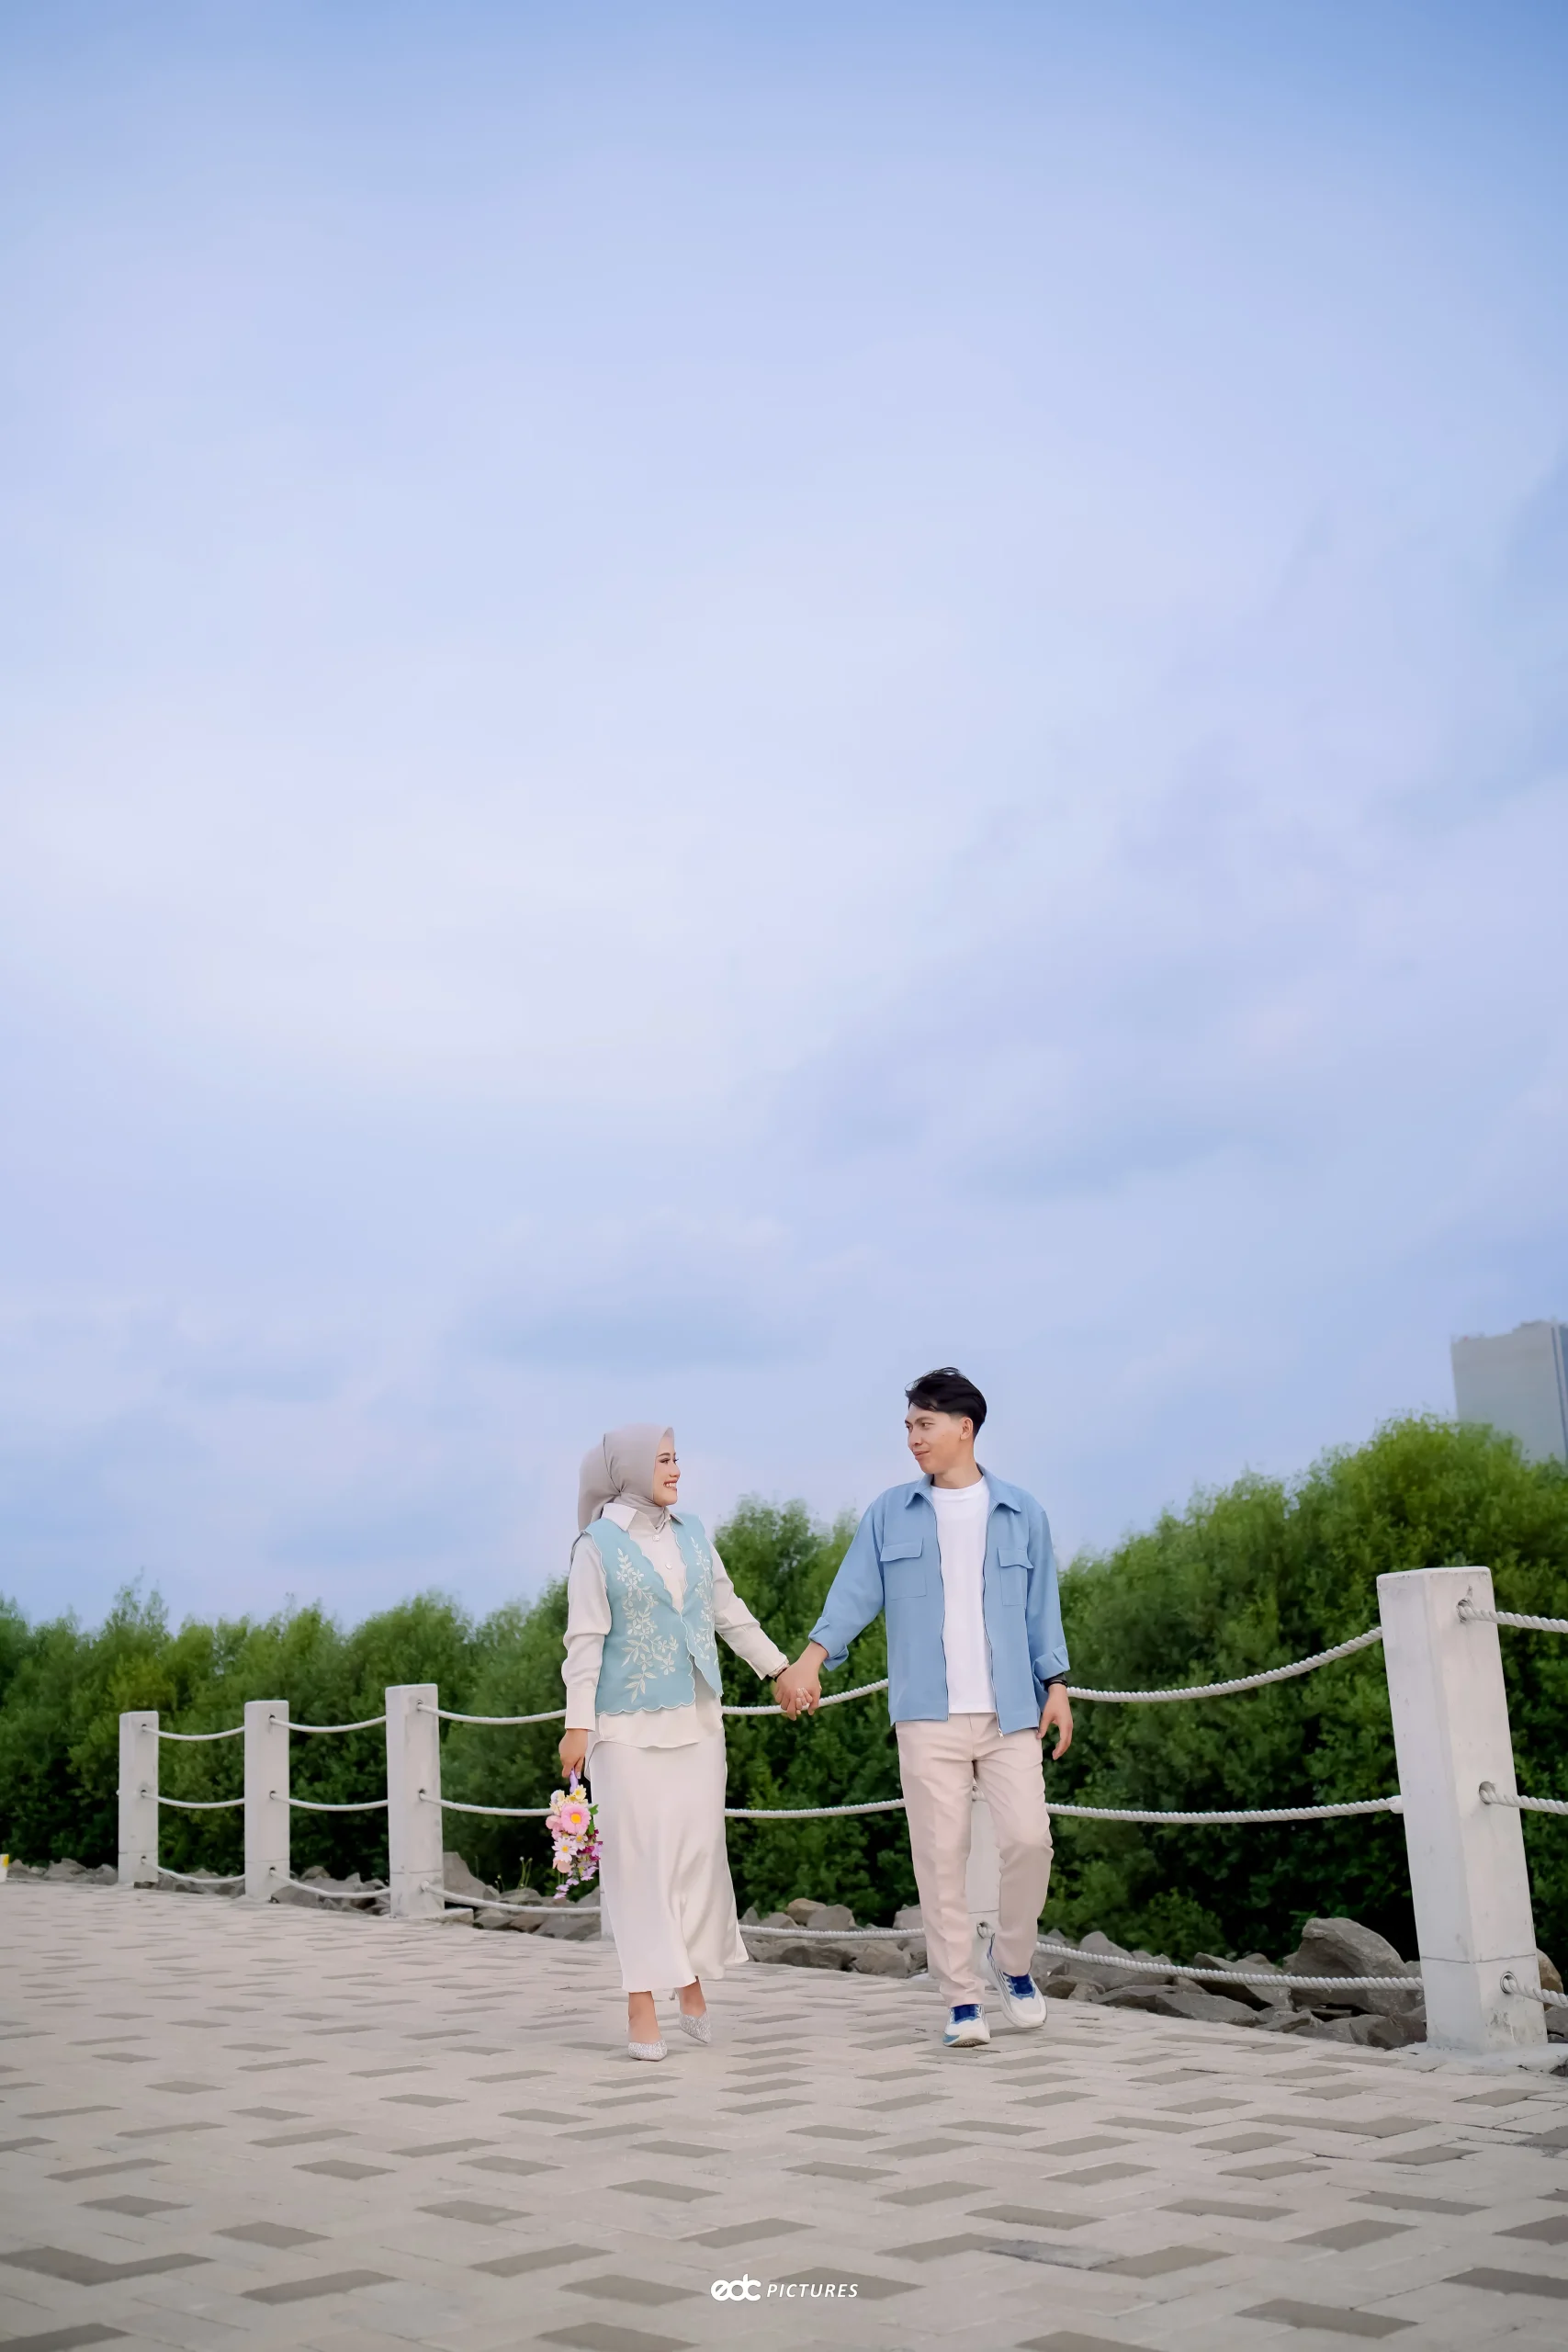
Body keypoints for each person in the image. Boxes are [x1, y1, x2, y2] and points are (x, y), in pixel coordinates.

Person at [773, 1368, 1071, 2048]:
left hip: (1010, 1714)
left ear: (964, 1428)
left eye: (924, 1424)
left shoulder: (1022, 1512)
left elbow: (1041, 1609)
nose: (912, 1437)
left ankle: (1011, 1962)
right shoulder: (890, 1513)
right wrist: (809, 1662)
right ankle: (961, 1998)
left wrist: (1056, 1684)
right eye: (908, 1425)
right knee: (940, 1859)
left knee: (1030, 1841)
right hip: (926, 1715)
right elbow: (853, 1594)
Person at [559, 1423, 793, 2063]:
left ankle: (687, 1973)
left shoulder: (693, 1534)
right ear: (632, 1468)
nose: (675, 1470)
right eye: (663, 1460)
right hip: (624, 1729)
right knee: (639, 1865)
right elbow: (584, 1640)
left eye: (675, 1458)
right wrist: (577, 1723)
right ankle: (641, 1999)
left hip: (697, 1720)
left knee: (696, 1857)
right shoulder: (596, 1546)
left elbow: (729, 1613)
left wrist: (778, 1670)